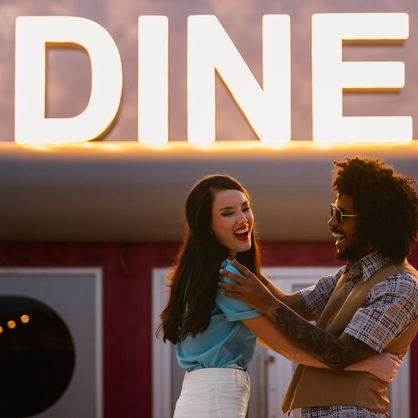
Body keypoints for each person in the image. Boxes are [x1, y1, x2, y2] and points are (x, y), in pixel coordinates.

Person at [156, 174, 401, 418]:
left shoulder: (207, 270)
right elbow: (288, 348)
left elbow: (277, 315)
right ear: (206, 225)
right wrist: (364, 364)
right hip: (216, 401)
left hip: (200, 398)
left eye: (245, 208)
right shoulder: (228, 275)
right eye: (227, 213)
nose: (243, 219)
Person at [220, 157, 418, 417]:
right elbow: (290, 307)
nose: (331, 223)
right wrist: (234, 255)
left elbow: (340, 355)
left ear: (374, 222)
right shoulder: (351, 274)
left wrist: (266, 303)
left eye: (340, 215)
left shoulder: (400, 284)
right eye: (332, 211)